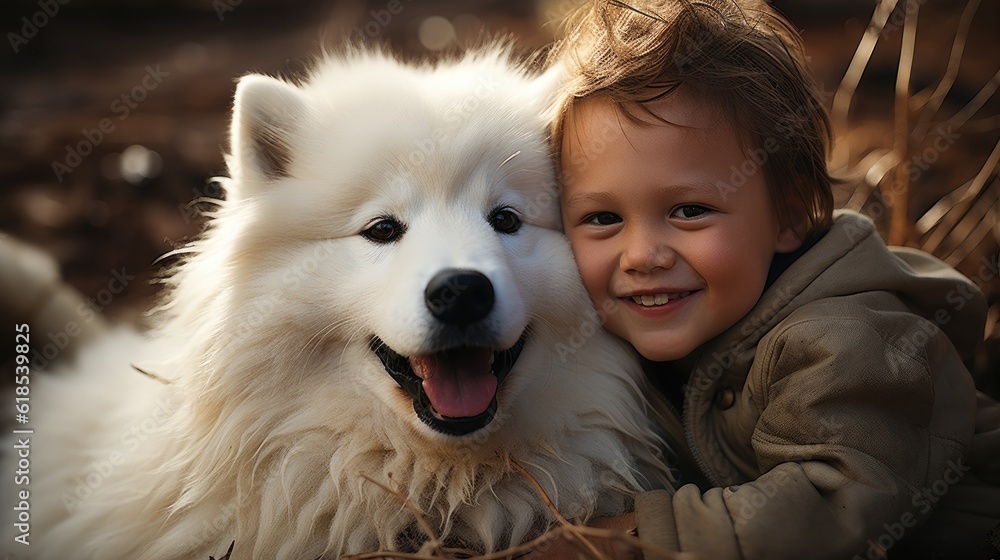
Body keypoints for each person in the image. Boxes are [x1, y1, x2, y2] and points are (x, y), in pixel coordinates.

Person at [534, 0, 1000, 558]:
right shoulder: (626, 340)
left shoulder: (846, 339)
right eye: (603, 219)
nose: (642, 256)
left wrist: (640, 537)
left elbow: (830, 507)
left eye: (688, 210)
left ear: (790, 213)